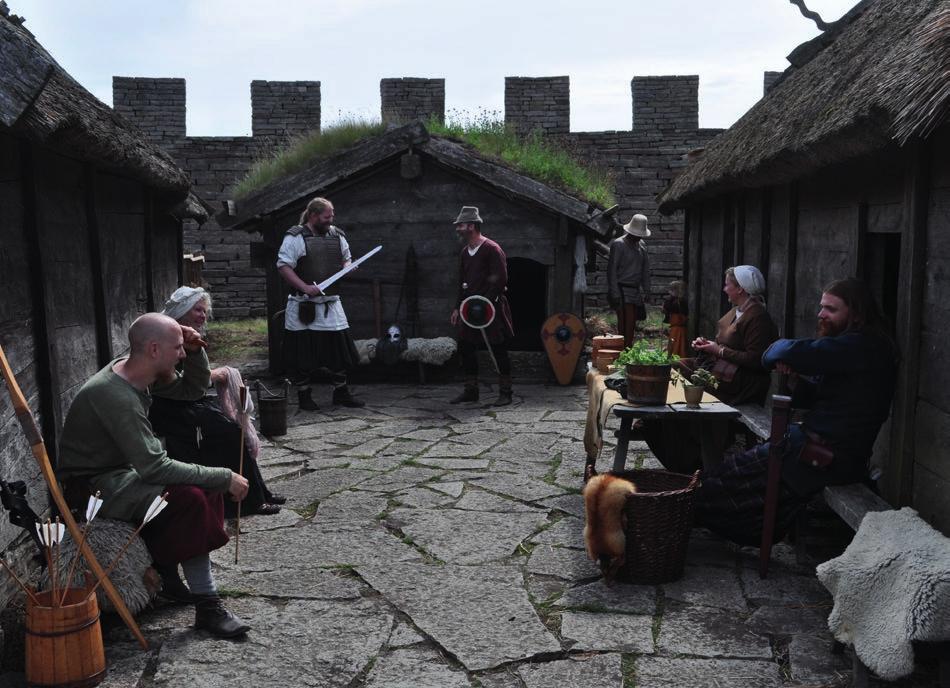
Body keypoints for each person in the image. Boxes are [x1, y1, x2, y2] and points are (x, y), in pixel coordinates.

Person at [56, 313, 251, 638]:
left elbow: (192, 390)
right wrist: (225, 476)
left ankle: (170, 575)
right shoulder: (115, 396)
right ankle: (208, 606)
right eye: (177, 348)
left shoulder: (137, 369)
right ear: (155, 350)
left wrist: (195, 350)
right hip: (93, 488)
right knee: (189, 496)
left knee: (205, 485)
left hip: (123, 473)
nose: (181, 354)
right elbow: (154, 468)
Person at [695, 278, 898, 546]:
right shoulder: (852, 344)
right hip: (808, 447)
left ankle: (685, 510)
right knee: (723, 477)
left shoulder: (862, 346)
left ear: (857, 313)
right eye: (821, 307)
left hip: (826, 458)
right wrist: (794, 379)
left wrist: (778, 352)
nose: (821, 314)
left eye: (831, 309)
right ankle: (686, 506)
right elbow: (815, 396)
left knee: (726, 488)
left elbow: (776, 352)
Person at [148, 286, 285, 517]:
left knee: (234, 428)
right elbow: (179, 381)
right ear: (182, 312)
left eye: (204, 311)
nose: (203, 315)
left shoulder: (188, 338)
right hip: (168, 408)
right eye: (197, 310)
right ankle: (248, 502)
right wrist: (217, 373)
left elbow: (195, 381)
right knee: (229, 433)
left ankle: (259, 491)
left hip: (188, 402)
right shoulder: (168, 339)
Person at [276, 197, 364, 411]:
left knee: (339, 352)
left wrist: (348, 266)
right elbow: (284, 266)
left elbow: (346, 257)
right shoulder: (296, 237)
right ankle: (304, 395)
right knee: (303, 354)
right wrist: (305, 287)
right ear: (313, 216)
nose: (330, 220)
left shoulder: (337, 235)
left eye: (332, 216)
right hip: (304, 305)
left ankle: (341, 392)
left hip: (330, 304)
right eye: (326, 217)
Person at [448, 205, 515, 407]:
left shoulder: (492, 249)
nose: (458, 228)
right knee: (466, 347)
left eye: (461, 225)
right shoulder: (464, 252)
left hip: (490, 308)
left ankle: (506, 393)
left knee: (498, 349)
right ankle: (471, 391)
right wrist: (457, 307)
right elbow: (462, 282)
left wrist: (484, 305)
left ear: (472, 226)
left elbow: (500, 280)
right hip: (469, 311)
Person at [683, 265, 778, 406]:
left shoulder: (758, 317)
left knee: (677, 368)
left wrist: (719, 351)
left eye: (727, 285)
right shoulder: (736, 311)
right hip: (722, 373)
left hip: (740, 384)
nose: (724, 289)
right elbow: (724, 341)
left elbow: (756, 359)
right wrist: (706, 345)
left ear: (740, 289)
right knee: (676, 366)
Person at [607, 213, 651, 349]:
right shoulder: (618, 245)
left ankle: (628, 348)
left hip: (635, 290)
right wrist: (614, 292)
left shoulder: (642, 246)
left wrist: (647, 290)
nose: (638, 237)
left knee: (632, 323)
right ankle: (623, 350)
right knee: (625, 322)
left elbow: (645, 270)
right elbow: (611, 270)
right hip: (621, 289)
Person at [663, 280, 688, 358]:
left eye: (672, 290)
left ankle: (676, 361)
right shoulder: (674, 300)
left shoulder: (679, 302)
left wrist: (664, 307)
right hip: (675, 327)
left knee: (677, 346)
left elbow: (669, 307)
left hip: (678, 328)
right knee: (674, 345)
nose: (669, 292)